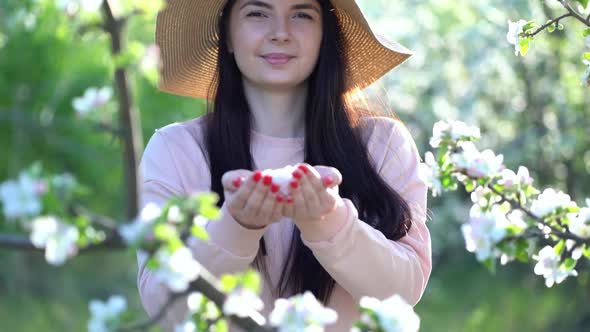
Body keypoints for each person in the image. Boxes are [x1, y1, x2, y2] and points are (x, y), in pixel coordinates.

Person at [137, 0, 432, 330]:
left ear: (325, 35)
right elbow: (162, 302)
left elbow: (404, 294)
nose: (280, 33)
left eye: (302, 15)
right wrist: (235, 226)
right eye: (257, 13)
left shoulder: (383, 143)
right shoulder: (177, 150)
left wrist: (329, 221)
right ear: (228, 36)